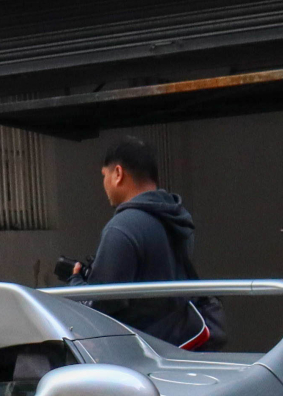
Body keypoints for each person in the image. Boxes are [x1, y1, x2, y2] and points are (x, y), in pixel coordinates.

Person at [79, 137, 218, 349]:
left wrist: (76, 284)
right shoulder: (177, 216)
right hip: (178, 344)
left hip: (142, 351)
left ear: (118, 174)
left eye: (104, 175)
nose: (104, 184)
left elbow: (102, 305)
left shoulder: (122, 227)